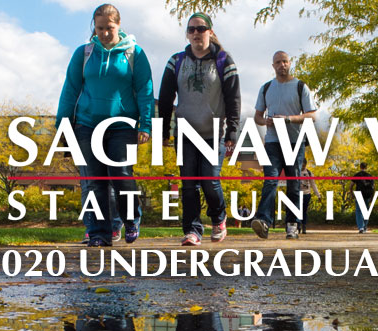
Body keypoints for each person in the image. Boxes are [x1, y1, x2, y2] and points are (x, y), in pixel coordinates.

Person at [57, 3, 153, 247]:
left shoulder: (134, 53)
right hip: (87, 125)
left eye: (109, 27)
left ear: (118, 25)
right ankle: (99, 233)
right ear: (94, 28)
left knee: (121, 174)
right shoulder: (84, 53)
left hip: (123, 125)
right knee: (94, 181)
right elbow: (70, 90)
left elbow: (145, 89)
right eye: (99, 28)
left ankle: (130, 218)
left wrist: (146, 124)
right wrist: (63, 125)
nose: (104, 33)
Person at [158, 12, 239, 246]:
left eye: (201, 29)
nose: (196, 33)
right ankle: (192, 230)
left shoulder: (224, 60)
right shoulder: (176, 61)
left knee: (210, 180)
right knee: (188, 183)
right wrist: (164, 130)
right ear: (187, 34)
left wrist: (232, 131)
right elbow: (165, 98)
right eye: (191, 29)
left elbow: (233, 98)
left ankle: (218, 219)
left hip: (212, 131)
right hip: (184, 132)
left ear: (210, 32)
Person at [251, 51, 318, 240]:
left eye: (285, 61)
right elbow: (257, 116)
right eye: (278, 62)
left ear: (290, 63)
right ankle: (263, 221)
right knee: (270, 179)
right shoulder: (266, 88)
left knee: (293, 183)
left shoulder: (300, 87)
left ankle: (292, 225)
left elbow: (312, 115)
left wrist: (289, 119)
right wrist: (266, 122)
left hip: (295, 141)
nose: (282, 65)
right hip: (272, 141)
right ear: (273, 66)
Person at [351, 163, 373, 233]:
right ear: (366, 167)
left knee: (358, 211)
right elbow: (373, 187)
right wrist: (372, 197)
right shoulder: (369, 176)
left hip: (359, 195)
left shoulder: (357, 175)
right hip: (367, 195)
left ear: (360, 167)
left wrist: (351, 193)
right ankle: (365, 227)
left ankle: (361, 227)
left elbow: (351, 186)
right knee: (366, 211)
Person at [296, 167, 319, 234]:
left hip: (307, 194)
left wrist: (318, 195)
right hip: (298, 194)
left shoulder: (309, 173)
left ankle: (304, 226)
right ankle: (298, 225)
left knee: (304, 211)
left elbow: (313, 184)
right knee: (298, 210)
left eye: (303, 164)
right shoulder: (297, 172)